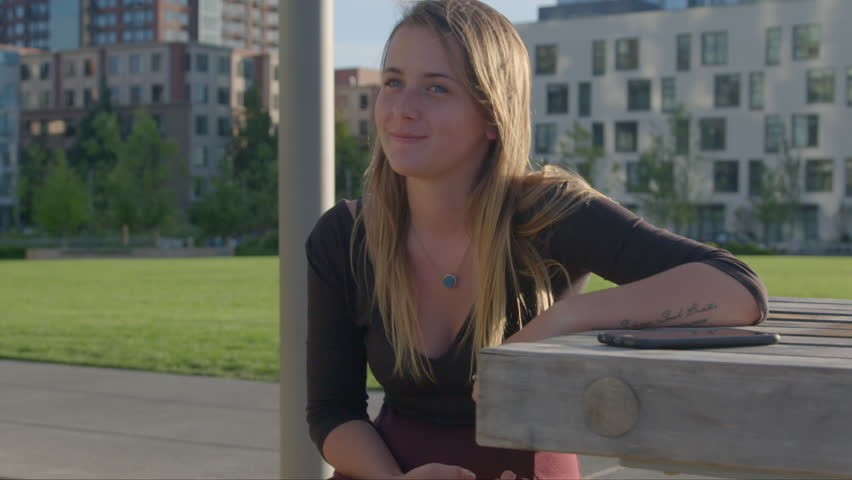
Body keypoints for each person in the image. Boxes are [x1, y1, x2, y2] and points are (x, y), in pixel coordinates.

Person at [306, 1, 768, 479]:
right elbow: (331, 411)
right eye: (393, 82)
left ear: (492, 115)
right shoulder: (344, 236)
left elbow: (737, 288)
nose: (402, 109)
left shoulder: (550, 214)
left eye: (437, 88)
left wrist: (562, 320)